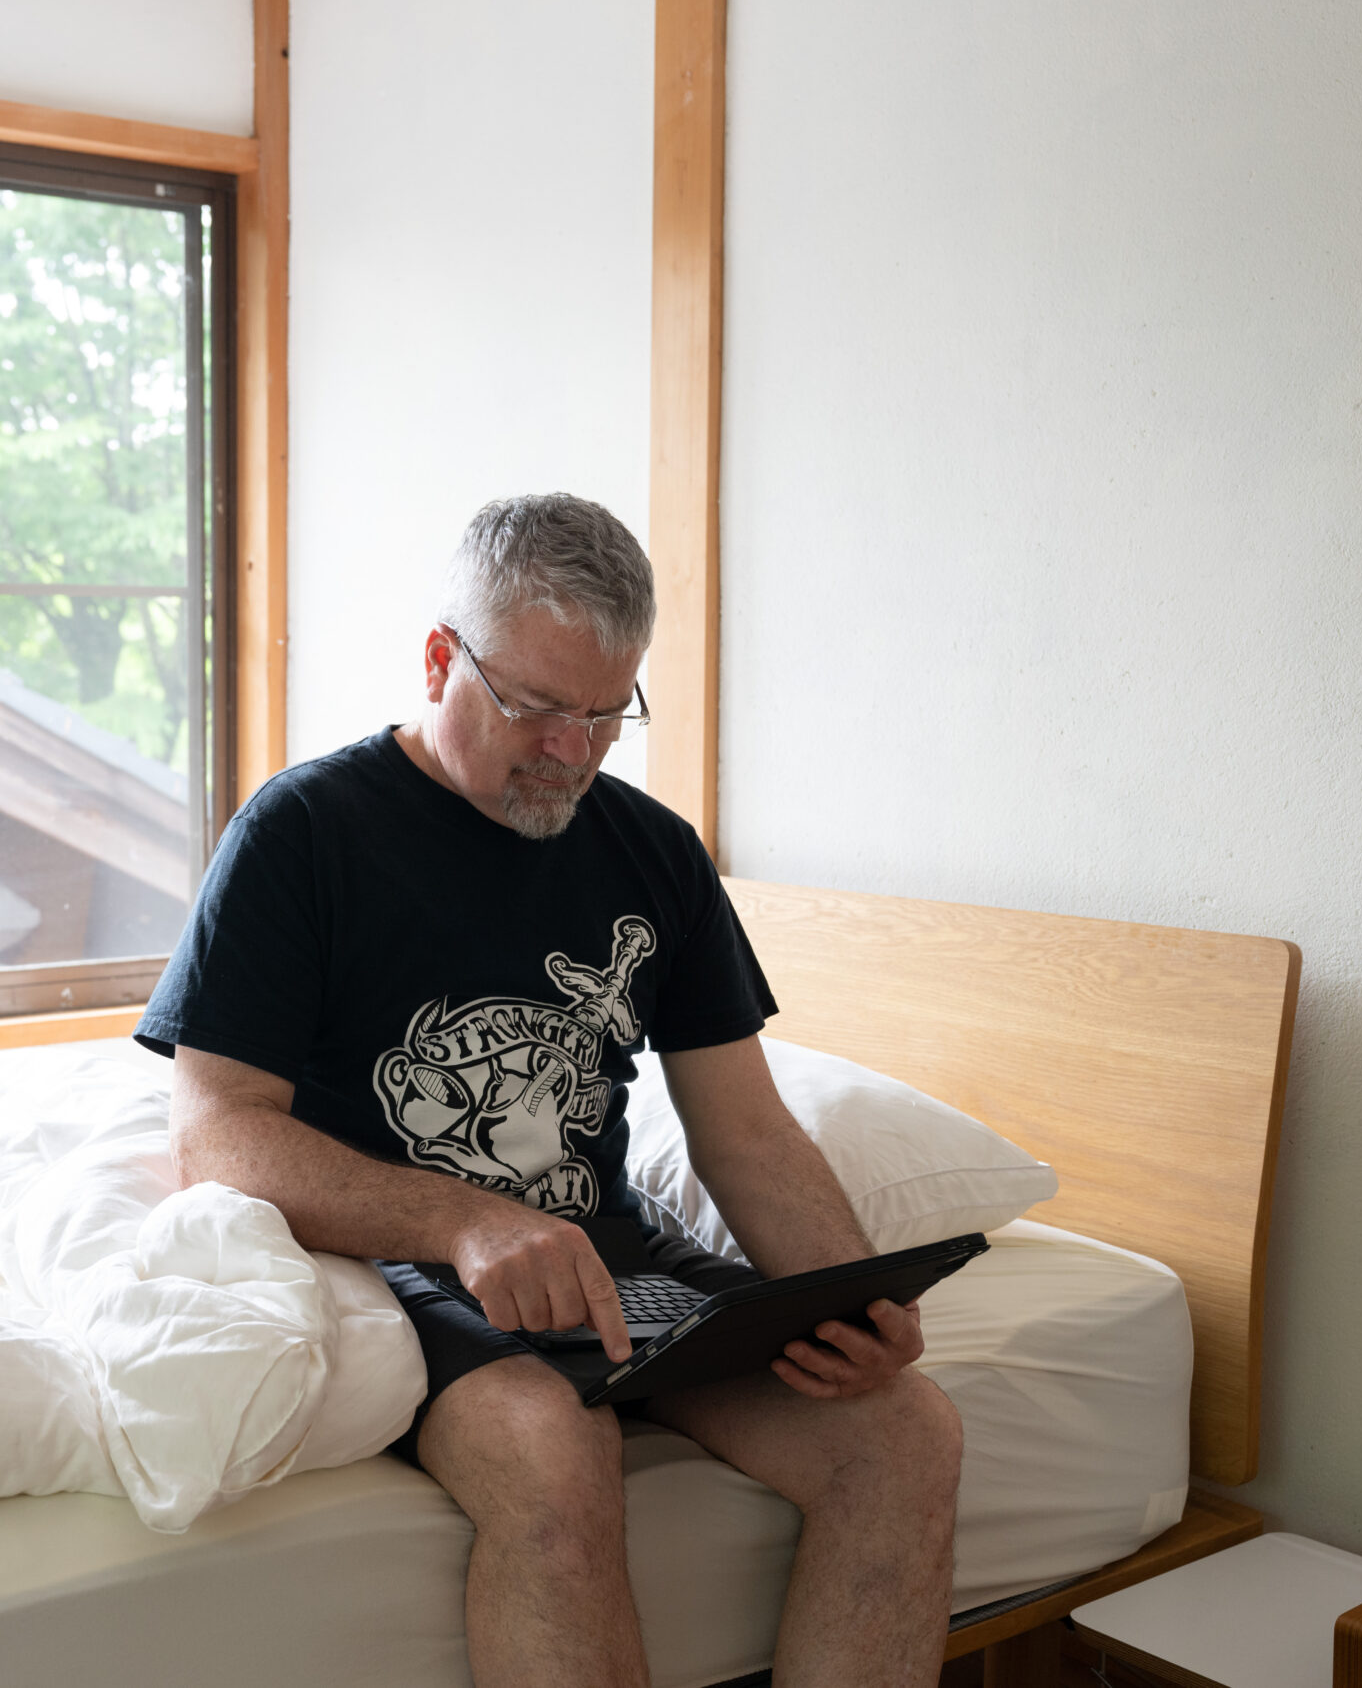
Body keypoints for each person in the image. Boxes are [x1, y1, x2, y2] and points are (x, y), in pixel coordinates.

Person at [134, 494, 962, 1688]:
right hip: (392, 1261)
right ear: (439, 661)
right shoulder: (302, 832)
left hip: (600, 1261)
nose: (571, 751)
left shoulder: (654, 854)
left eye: (604, 714)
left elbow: (746, 1133)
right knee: (551, 1448)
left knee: (904, 1434)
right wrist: (462, 1219)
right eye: (534, 707)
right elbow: (215, 1135)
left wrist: (853, 1296)